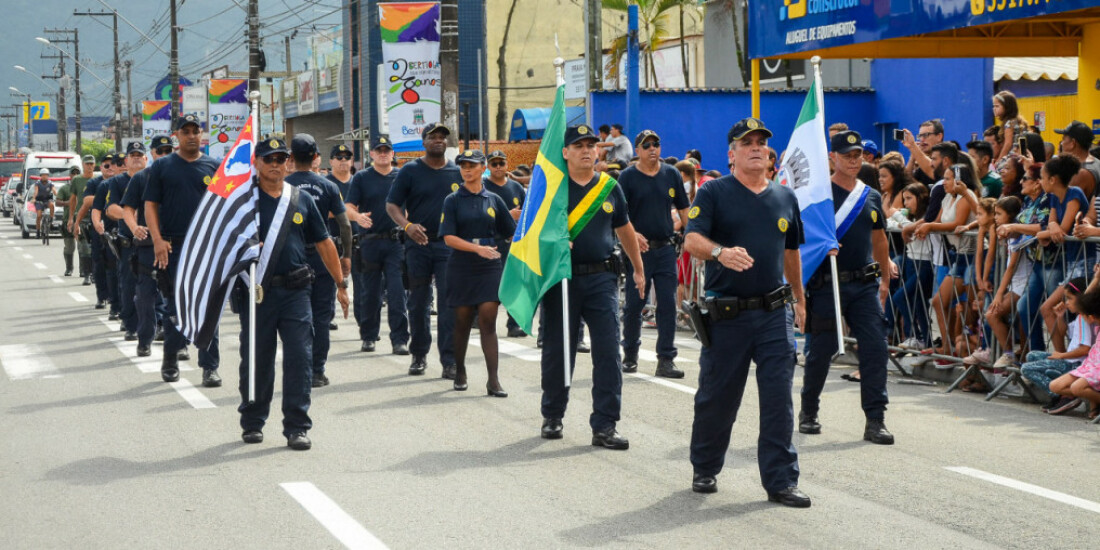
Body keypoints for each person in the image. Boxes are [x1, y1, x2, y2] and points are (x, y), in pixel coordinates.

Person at [682, 117, 809, 507]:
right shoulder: (714, 192)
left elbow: (791, 253)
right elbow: (691, 239)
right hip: (728, 314)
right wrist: (721, 251)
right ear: (731, 154)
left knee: (778, 399)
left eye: (761, 142)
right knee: (718, 397)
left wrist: (800, 299)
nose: (756, 147)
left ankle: (781, 481)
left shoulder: (785, 197)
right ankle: (705, 466)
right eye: (746, 142)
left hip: (774, 313)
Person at [235, 137, 349, 450]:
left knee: (300, 358)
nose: (275, 164)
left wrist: (341, 284)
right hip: (257, 293)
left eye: (280, 159)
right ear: (256, 163)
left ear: (288, 162)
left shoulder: (300, 199)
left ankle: (297, 426)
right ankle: (253, 421)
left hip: (297, 290)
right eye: (268, 159)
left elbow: (325, 243)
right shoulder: (244, 201)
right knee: (258, 359)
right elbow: (223, 243)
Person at [539, 124, 646, 450]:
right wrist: (554, 243)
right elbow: (531, 236)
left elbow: (625, 229)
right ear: (566, 152)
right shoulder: (553, 189)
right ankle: (553, 415)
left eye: (591, 145)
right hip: (562, 279)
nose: (587, 150)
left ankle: (605, 425)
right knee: (559, 350)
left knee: (608, 352)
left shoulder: (609, 187)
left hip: (602, 279)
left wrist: (638, 269)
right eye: (579, 145)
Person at [801, 130, 896, 445]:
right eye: (847, 156)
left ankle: (875, 420)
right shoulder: (819, 195)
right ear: (833, 158)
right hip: (828, 285)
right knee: (821, 351)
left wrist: (884, 278)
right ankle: (809, 410)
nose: (854, 161)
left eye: (858, 155)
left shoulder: (869, 195)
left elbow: (880, 238)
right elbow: (801, 241)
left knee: (875, 348)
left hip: (864, 285)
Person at [144, 113, 222, 386]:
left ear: (202, 134)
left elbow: (226, 207)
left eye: (195, 130)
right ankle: (170, 358)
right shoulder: (163, 166)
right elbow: (150, 205)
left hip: (207, 248)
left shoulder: (215, 166)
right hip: (173, 247)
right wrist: (156, 239)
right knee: (176, 308)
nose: (191, 135)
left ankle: (210, 367)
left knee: (209, 307)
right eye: (185, 131)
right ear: (176, 135)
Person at [385, 123, 461, 378]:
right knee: (418, 303)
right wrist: (407, 226)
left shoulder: (457, 172)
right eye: (433, 137)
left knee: (448, 304)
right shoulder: (410, 171)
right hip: (418, 246)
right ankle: (418, 355)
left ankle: (449, 360)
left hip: (447, 246)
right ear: (423, 141)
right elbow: (392, 205)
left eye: (442, 137)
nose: (438, 141)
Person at [440, 150, 517, 396]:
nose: (467, 169)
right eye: (463, 165)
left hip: (489, 265)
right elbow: (449, 238)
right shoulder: (452, 200)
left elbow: (511, 231)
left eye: (472, 165)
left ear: (482, 167)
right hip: (462, 265)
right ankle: (460, 369)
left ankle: (493, 380)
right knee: (462, 322)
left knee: (487, 318)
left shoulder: (494, 199)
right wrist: (476, 249)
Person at [618, 129, 690, 378]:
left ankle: (666, 359)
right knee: (635, 304)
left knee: (668, 305)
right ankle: (630, 355)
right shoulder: (627, 177)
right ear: (637, 151)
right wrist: (632, 235)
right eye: (646, 145)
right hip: (638, 252)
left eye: (656, 144)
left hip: (666, 249)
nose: (652, 149)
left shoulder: (671, 174)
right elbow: (618, 214)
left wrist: (691, 234)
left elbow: (683, 208)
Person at [285, 134, 353, 388]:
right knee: (321, 317)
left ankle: (299, 368)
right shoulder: (328, 186)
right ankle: (317, 370)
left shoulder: (282, 185)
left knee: (296, 316)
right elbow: (345, 225)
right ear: (316, 158)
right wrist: (346, 256)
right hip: (323, 255)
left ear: (290, 158)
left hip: (292, 257)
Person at [345, 136, 410, 354]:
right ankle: (369, 336)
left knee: (397, 291)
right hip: (369, 242)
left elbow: (412, 204)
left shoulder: (402, 176)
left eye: (386, 150)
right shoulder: (362, 177)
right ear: (371, 154)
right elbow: (348, 207)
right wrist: (357, 217)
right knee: (370, 292)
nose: (383, 154)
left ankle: (399, 339)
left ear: (393, 154)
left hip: (395, 242)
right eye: (378, 150)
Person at [121, 135, 173, 357]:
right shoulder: (141, 178)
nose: (163, 155)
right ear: (152, 154)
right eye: (159, 151)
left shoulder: (180, 176)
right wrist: (134, 228)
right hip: (147, 247)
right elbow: (127, 209)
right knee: (145, 297)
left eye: (167, 151)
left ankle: (178, 342)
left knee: (175, 297)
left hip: (175, 246)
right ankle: (145, 339)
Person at [1020, 278, 1092, 412]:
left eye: (1070, 299)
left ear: (1082, 298)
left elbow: (1085, 349)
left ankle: (1063, 395)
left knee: (1026, 369)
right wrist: (1060, 317)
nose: (1066, 303)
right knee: (1032, 356)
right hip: (1069, 360)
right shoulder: (1078, 318)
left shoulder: (1084, 319)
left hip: (1075, 364)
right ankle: (1059, 387)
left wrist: (1061, 356)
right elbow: (1064, 331)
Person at [104, 143, 149, 342]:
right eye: (133, 155)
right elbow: (110, 209)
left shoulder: (154, 178)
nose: (137, 158)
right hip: (129, 243)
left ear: (146, 159)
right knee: (129, 285)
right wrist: (129, 213)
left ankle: (155, 325)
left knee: (155, 287)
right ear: (126, 161)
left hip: (151, 242)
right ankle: (131, 326)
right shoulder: (117, 182)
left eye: (140, 155)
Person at [481, 150, 527, 338]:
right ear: (488, 167)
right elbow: (480, 215)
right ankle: (483, 320)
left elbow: (526, 213)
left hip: (514, 243)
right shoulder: (482, 187)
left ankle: (514, 323)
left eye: (501, 163)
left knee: (514, 283)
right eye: (494, 164)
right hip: (491, 242)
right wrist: (508, 214)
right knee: (490, 285)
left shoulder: (516, 187)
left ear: (507, 165)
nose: (498, 167)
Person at [1047, 289, 1100, 419]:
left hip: (1097, 369)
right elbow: (1087, 298)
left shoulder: (1094, 323)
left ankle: (1095, 404)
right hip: (1090, 366)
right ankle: (1094, 401)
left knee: (1077, 388)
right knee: (1054, 386)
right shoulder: (1097, 324)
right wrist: (1097, 278)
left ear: (1091, 317)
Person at [91, 154, 125, 321]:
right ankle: (116, 306)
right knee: (113, 271)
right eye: (118, 164)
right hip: (113, 235)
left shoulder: (142, 181)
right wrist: (97, 223)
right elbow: (96, 208)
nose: (122, 166)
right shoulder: (106, 185)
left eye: (124, 163)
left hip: (137, 234)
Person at [1053, 121, 1100, 200]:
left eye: (1063, 139)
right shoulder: (1096, 161)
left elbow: (1064, 202)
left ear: (1073, 143)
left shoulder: (1081, 173)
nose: (1061, 144)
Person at [67, 156, 94, 282]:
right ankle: (86, 274)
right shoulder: (77, 180)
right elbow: (73, 200)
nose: (89, 166)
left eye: (91, 164)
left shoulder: (99, 179)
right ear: (83, 165)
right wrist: (71, 218)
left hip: (96, 217)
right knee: (84, 247)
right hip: (82, 217)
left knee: (96, 248)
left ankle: (94, 273)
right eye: (87, 164)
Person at [902, 119, 944, 186]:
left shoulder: (948, 157)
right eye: (920, 136)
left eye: (926, 135)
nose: (921, 139)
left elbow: (933, 171)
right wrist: (912, 158)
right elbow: (907, 183)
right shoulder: (921, 168)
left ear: (939, 137)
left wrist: (913, 146)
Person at [55, 167, 80, 275]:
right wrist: (69, 203)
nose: (75, 175)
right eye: (73, 173)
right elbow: (57, 202)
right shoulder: (64, 188)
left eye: (77, 173)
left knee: (84, 247)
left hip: (82, 220)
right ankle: (69, 268)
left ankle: (85, 271)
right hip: (68, 220)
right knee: (70, 247)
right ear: (69, 175)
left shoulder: (84, 187)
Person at [993, 91, 1029, 163]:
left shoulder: (1009, 123)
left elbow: (1008, 144)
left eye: (997, 106)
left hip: (1012, 158)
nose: (994, 109)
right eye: (994, 106)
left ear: (1007, 107)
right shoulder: (1018, 121)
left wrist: (999, 161)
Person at [32, 168, 55, 238]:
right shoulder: (37, 183)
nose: (44, 176)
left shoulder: (50, 183)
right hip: (39, 201)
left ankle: (51, 218)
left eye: (46, 175)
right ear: (40, 176)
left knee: (52, 205)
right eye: (43, 175)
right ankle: (38, 231)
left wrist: (57, 195)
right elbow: (36, 191)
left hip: (47, 200)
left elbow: (54, 190)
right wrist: (33, 198)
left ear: (48, 176)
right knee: (39, 216)